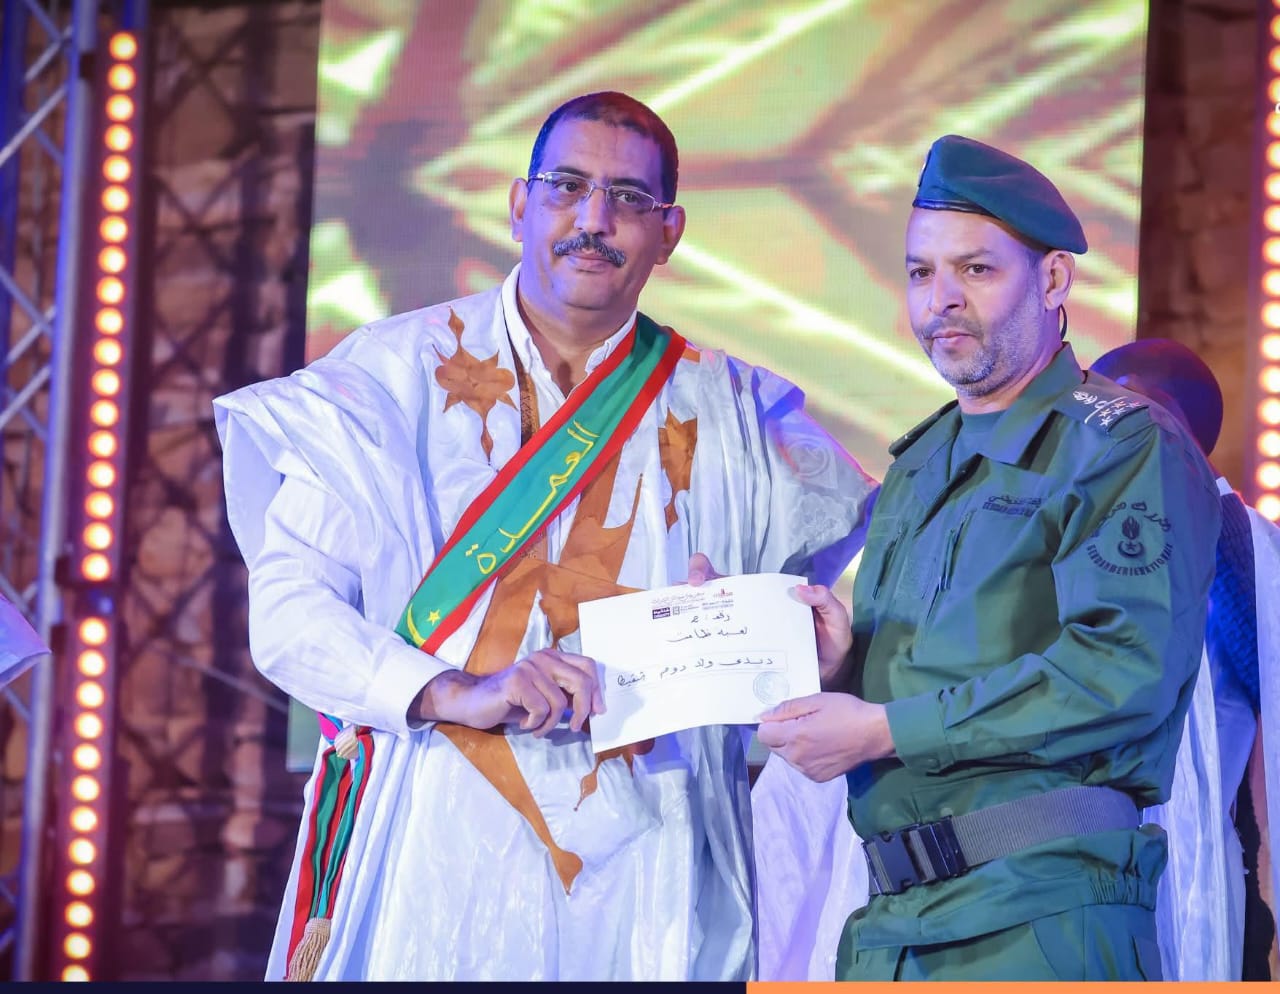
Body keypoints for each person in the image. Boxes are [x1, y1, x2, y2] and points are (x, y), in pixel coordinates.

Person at [213, 91, 875, 981]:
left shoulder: (744, 415)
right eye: (567, 186)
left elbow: (856, 609)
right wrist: (451, 689)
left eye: (629, 198)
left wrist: (817, 654)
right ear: (520, 204)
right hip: (433, 853)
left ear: (670, 232)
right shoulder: (384, 380)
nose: (593, 219)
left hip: (658, 867)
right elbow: (290, 615)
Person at [754, 134, 1222, 981]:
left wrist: (883, 728)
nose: (941, 300)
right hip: (892, 924)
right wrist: (840, 666)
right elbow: (933, 671)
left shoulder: (1120, 446)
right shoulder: (919, 463)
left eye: (976, 270)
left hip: (1039, 915)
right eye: (921, 272)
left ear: (1053, 280)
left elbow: (1121, 672)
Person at [1091, 339, 1280, 980]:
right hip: (1065, 873)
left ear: (1172, 419)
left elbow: (1269, 689)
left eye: (1113, 404)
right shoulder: (1074, 530)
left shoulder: (1239, 541)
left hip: (1188, 880)